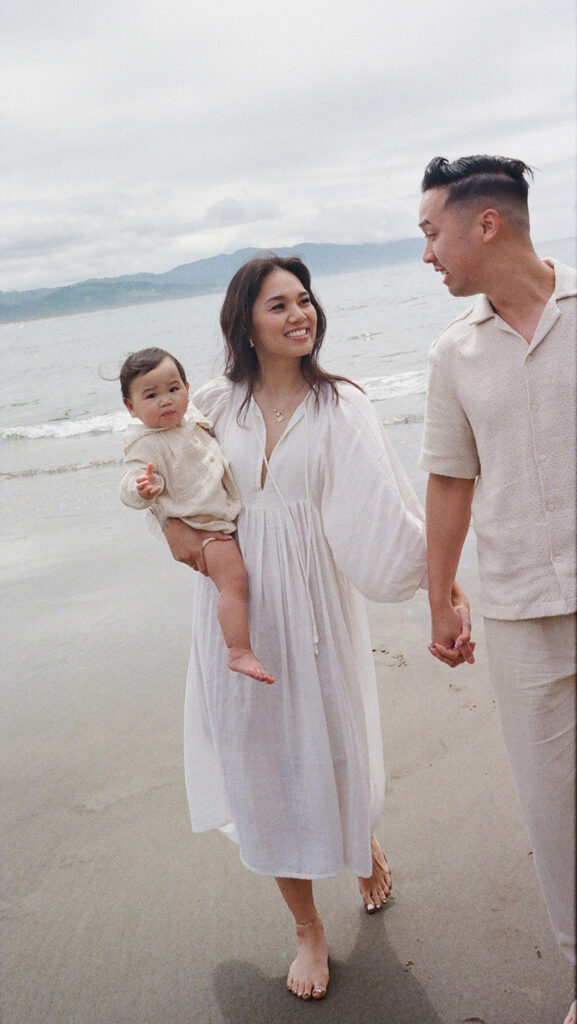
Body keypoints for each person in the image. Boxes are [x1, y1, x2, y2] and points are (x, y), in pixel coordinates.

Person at [160, 254, 474, 1001]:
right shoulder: (209, 403)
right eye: (279, 305)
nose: (300, 314)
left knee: (330, 745)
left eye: (304, 300)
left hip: (313, 609)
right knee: (257, 760)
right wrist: (174, 530)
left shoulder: (343, 406)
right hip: (235, 610)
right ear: (245, 323)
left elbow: (384, 511)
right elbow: (170, 480)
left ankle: (354, 842)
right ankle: (306, 929)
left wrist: (441, 591)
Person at [417, 155, 576, 1024]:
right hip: (518, 615)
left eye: (431, 233)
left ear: (486, 225)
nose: (426, 254)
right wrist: (440, 596)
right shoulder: (454, 352)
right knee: (556, 819)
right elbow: (449, 481)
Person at [119, 346, 273, 684]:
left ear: (188, 390)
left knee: (237, 584)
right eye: (151, 395)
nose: (166, 400)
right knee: (234, 583)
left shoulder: (193, 418)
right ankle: (238, 650)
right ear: (131, 407)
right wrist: (143, 488)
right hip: (203, 529)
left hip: (219, 519)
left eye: (173, 389)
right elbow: (130, 482)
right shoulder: (146, 442)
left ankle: (241, 647)